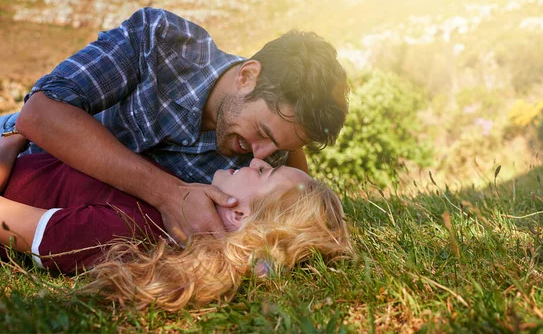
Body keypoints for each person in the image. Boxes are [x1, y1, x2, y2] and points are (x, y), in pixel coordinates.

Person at [0, 7, 349, 242]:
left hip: (59, 212)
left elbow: (305, 204)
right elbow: (40, 114)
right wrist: (168, 194)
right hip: (14, 148)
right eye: (263, 133)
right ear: (247, 76)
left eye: (282, 149)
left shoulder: (266, 160)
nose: (260, 157)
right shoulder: (160, 41)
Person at [0, 135, 352, 310]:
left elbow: (8, 222)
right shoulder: (177, 198)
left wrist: (11, 141)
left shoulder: (129, 232)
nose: (258, 161)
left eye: (266, 172)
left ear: (240, 215)